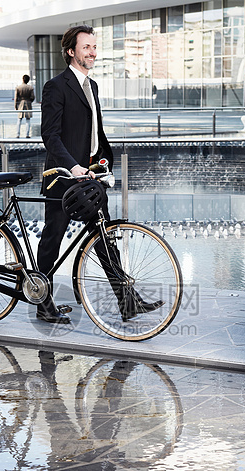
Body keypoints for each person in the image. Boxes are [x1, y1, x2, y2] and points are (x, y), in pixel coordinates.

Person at [37, 24, 162, 324]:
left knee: (106, 240)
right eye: (87, 47)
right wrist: (73, 166)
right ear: (71, 52)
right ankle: (43, 303)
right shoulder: (56, 86)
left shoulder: (92, 86)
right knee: (52, 239)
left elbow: (94, 133)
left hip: (90, 178)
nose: (93, 52)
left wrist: (103, 162)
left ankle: (127, 301)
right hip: (63, 178)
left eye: (94, 47)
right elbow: (50, 136)